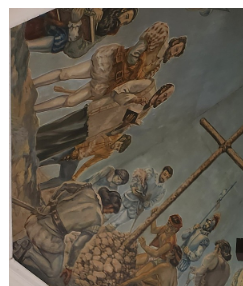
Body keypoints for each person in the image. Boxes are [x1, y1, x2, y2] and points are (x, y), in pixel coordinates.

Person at [32, 22, 185, 113]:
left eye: (176, 54)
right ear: (174, 42)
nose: (173, 54)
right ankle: (32, 84)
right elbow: (133, 54)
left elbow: (133, 83)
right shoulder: (159, 38)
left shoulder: (155, 66)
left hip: (111, 82)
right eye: (176, 50)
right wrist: (134, 69)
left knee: (70, 102)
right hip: (111, 63)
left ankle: (34, 109)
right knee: (66, 74)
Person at [36, 81, 174, 163]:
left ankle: (35, 156)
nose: (163, 100)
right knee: (59, 129)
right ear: (161, 90)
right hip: (95, 113)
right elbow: (118, 91)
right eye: (164, 96)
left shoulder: (146, 110)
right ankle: (30, 141)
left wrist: (125, 124)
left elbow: (120, 129)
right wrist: (133, 98)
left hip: (98, 129)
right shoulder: (147, 86)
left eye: (166, 99)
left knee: (63, 143)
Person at [13, 184, 121, 284]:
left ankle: (25, 243)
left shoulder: (87, 189)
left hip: (35, 223)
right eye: (110, 212)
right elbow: (77, 245)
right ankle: (29, 252)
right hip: (48, 239)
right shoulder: (97, 220)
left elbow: (64, 186)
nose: (108, 213)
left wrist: (52, 203)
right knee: (53, 271)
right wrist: (69, 266)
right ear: (109, 206)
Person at [26, 9, 138, 59]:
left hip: (57, 26)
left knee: (62, 39)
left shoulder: (105, 28)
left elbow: (76, 51)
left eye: (125, 23)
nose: (121, 22)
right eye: (126, 16)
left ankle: (26, 45)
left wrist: (75, 24)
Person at [38, 134, 132, 191]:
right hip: (72, 147)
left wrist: (76, 176)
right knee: (51, 157)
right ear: (120, 139)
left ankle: (39, 187)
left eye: (117, 149)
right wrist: (76, 149)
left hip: (76, 158)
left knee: (64, 179)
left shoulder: (107, 154)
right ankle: (32, 164)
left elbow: (88, 164)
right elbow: (88, 139)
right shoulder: (106, 135)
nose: (116, 148)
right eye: (118, 145)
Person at [108, 166, 173, 230]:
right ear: (162, 171)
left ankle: (114, 224)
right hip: (132, 195)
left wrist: (146, 203)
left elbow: (154, 201)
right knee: (119, 207)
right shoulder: (151, 173)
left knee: (129, 215)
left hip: (139, 205)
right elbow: (138, 174)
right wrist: (134, 186)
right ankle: (106, 217)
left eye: (167, 177)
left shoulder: (162, 190)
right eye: (164, 174)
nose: (164, 178)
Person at [132, 214, 183, 280]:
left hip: (160, 260)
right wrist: (154, 216)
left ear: (175, 231)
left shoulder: (170, 242)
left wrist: (144, 246)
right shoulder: (164, 228)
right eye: (168, 224)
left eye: (171, 228)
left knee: (138, 275)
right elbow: (153, 230)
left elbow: (157, 253)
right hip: (153, 254)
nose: (168, 228)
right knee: (132, 261)